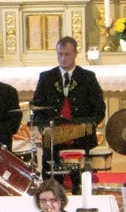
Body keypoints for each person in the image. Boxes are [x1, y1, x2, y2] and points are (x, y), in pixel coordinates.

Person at [31, 36, 106, 194]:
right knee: (52, 183)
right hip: (54, 138)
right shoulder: (46, 77)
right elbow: (37, 108)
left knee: (81, 184)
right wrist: (44, 127)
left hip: (81, 137)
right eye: (60, 54)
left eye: (67, 54)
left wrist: (86, 126)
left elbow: (99, 109)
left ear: (75, 54)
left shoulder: (88, 77)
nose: (63, 58)